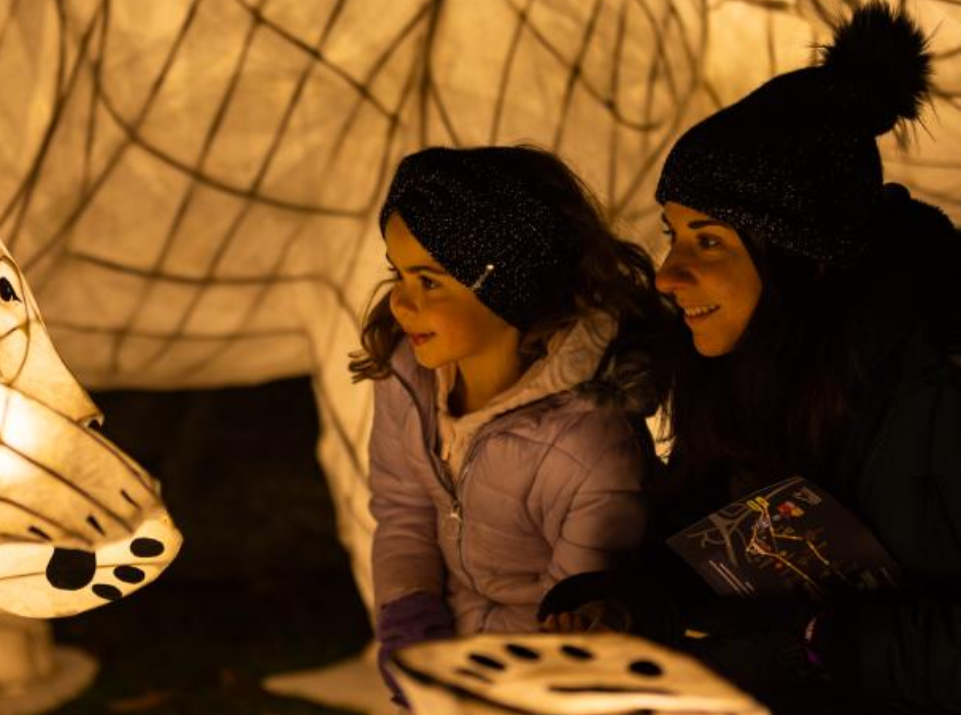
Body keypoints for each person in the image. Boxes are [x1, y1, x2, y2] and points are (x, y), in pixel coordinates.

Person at [539, 4, 961, 714]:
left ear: (802, 257)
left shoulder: (938, 380)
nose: (668, 275)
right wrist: (624, 605)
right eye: (672, 234)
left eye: (708, 241)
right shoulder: (747, 369)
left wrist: (820, 644)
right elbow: (723, 554)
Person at [350, 145, 674, 702]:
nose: (401, 304)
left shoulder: (589, 446)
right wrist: (409, 624)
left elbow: (576, 612)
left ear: (508, 285)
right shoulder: (408, 375)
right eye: (398, 274)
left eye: (429, 281)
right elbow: (404, 508)